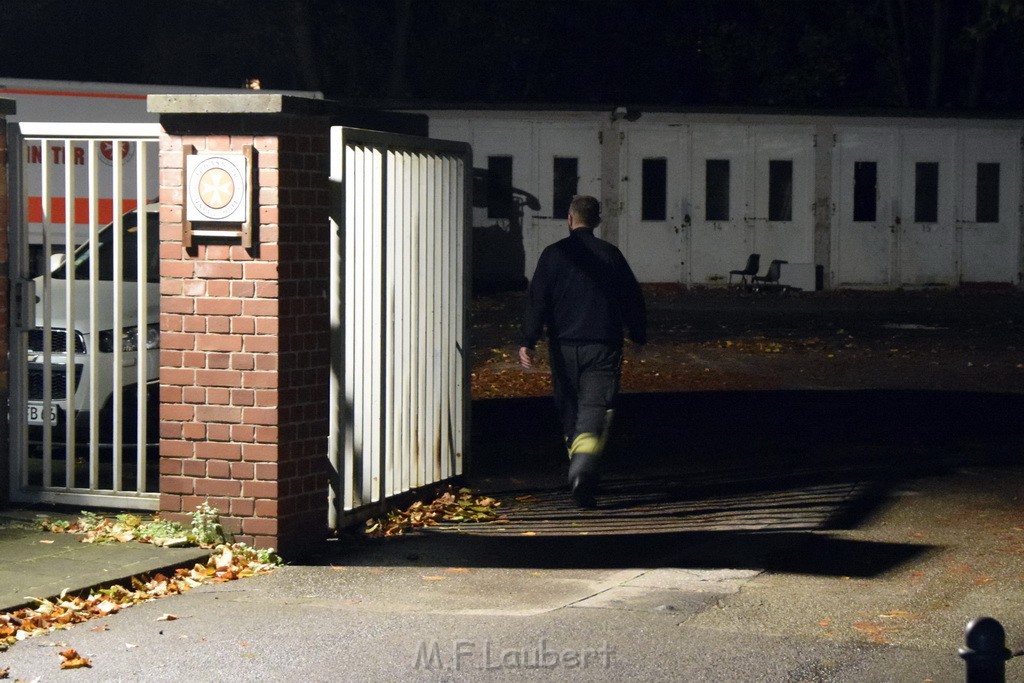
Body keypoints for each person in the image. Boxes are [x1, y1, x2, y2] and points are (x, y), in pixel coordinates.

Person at [519, 195, 647, 507]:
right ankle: (582, 470)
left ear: (569, 218)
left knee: (569, 408)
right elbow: (631, 298)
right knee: (594, 409)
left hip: (563, 347)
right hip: (603, 345)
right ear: (597, 221)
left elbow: (538, 301)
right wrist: (638, 334)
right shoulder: (611, 255)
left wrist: (527, 339)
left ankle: (582, 469)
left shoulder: (553, 255)